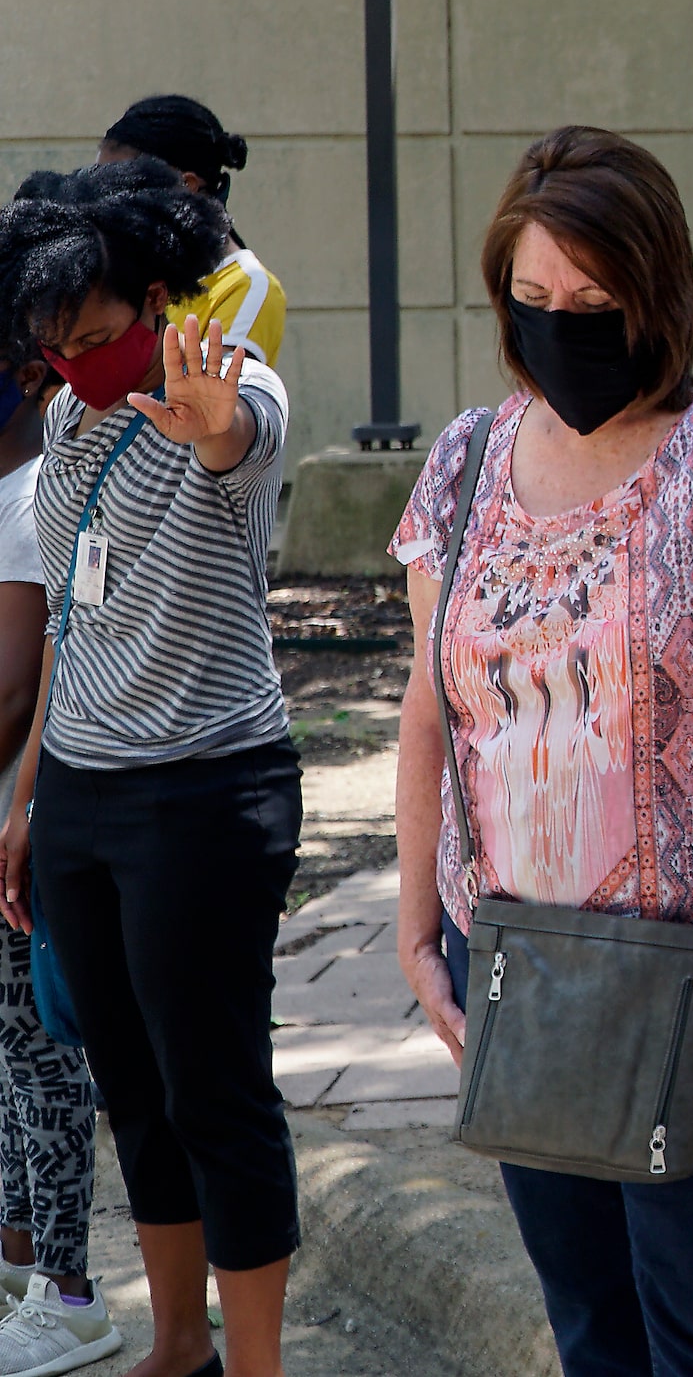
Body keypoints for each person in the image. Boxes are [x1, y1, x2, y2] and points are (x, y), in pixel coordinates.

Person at [392, 126, 693, 1377]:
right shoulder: (468, 458)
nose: (560, 325)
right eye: (533, 299)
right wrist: (414, 927)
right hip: (532, 965)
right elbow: (432, 705)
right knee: (589, 1318)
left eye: (592, 302)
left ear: (651, 295)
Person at [0, 160, 297, 1377]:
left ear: (161, 298)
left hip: (205, 792)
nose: (76, 364)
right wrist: (30, 802)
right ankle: (178, 1343)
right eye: (52, 348)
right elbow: (75, 613)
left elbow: (237, 439)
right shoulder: (69, 420)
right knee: (129, 1082)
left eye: (97, 334)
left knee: (214, 1088)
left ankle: (260, 1363)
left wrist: (207, 416)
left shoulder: (229, 384)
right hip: (80, 792)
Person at [0, 346, 107, 1375]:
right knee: (9, 1055)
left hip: (20, 826)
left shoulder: (36, 492)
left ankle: (68, 1288)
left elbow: (17, 687)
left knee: (39, 1057)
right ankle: (21, 1265)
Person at [95, 96, 286, 365]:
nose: (103, 204)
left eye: (118, 190)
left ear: (186, 186)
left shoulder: (247, 286)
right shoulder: (118, 268)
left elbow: (217, 401)